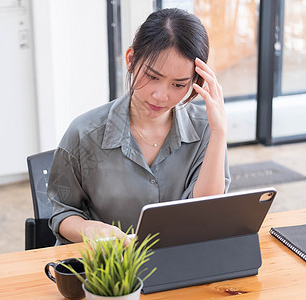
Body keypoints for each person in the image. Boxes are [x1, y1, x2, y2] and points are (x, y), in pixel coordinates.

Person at [47, 8, 231, 245]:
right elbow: (62, 212)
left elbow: (207, 213)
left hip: (181, 263)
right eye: (153, 77)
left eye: (178, 85)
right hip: (111, 272)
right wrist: (88, 229)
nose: (160, 95)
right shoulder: (84, 133)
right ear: (131, 60)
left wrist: (219, 132)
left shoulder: (206, 128)